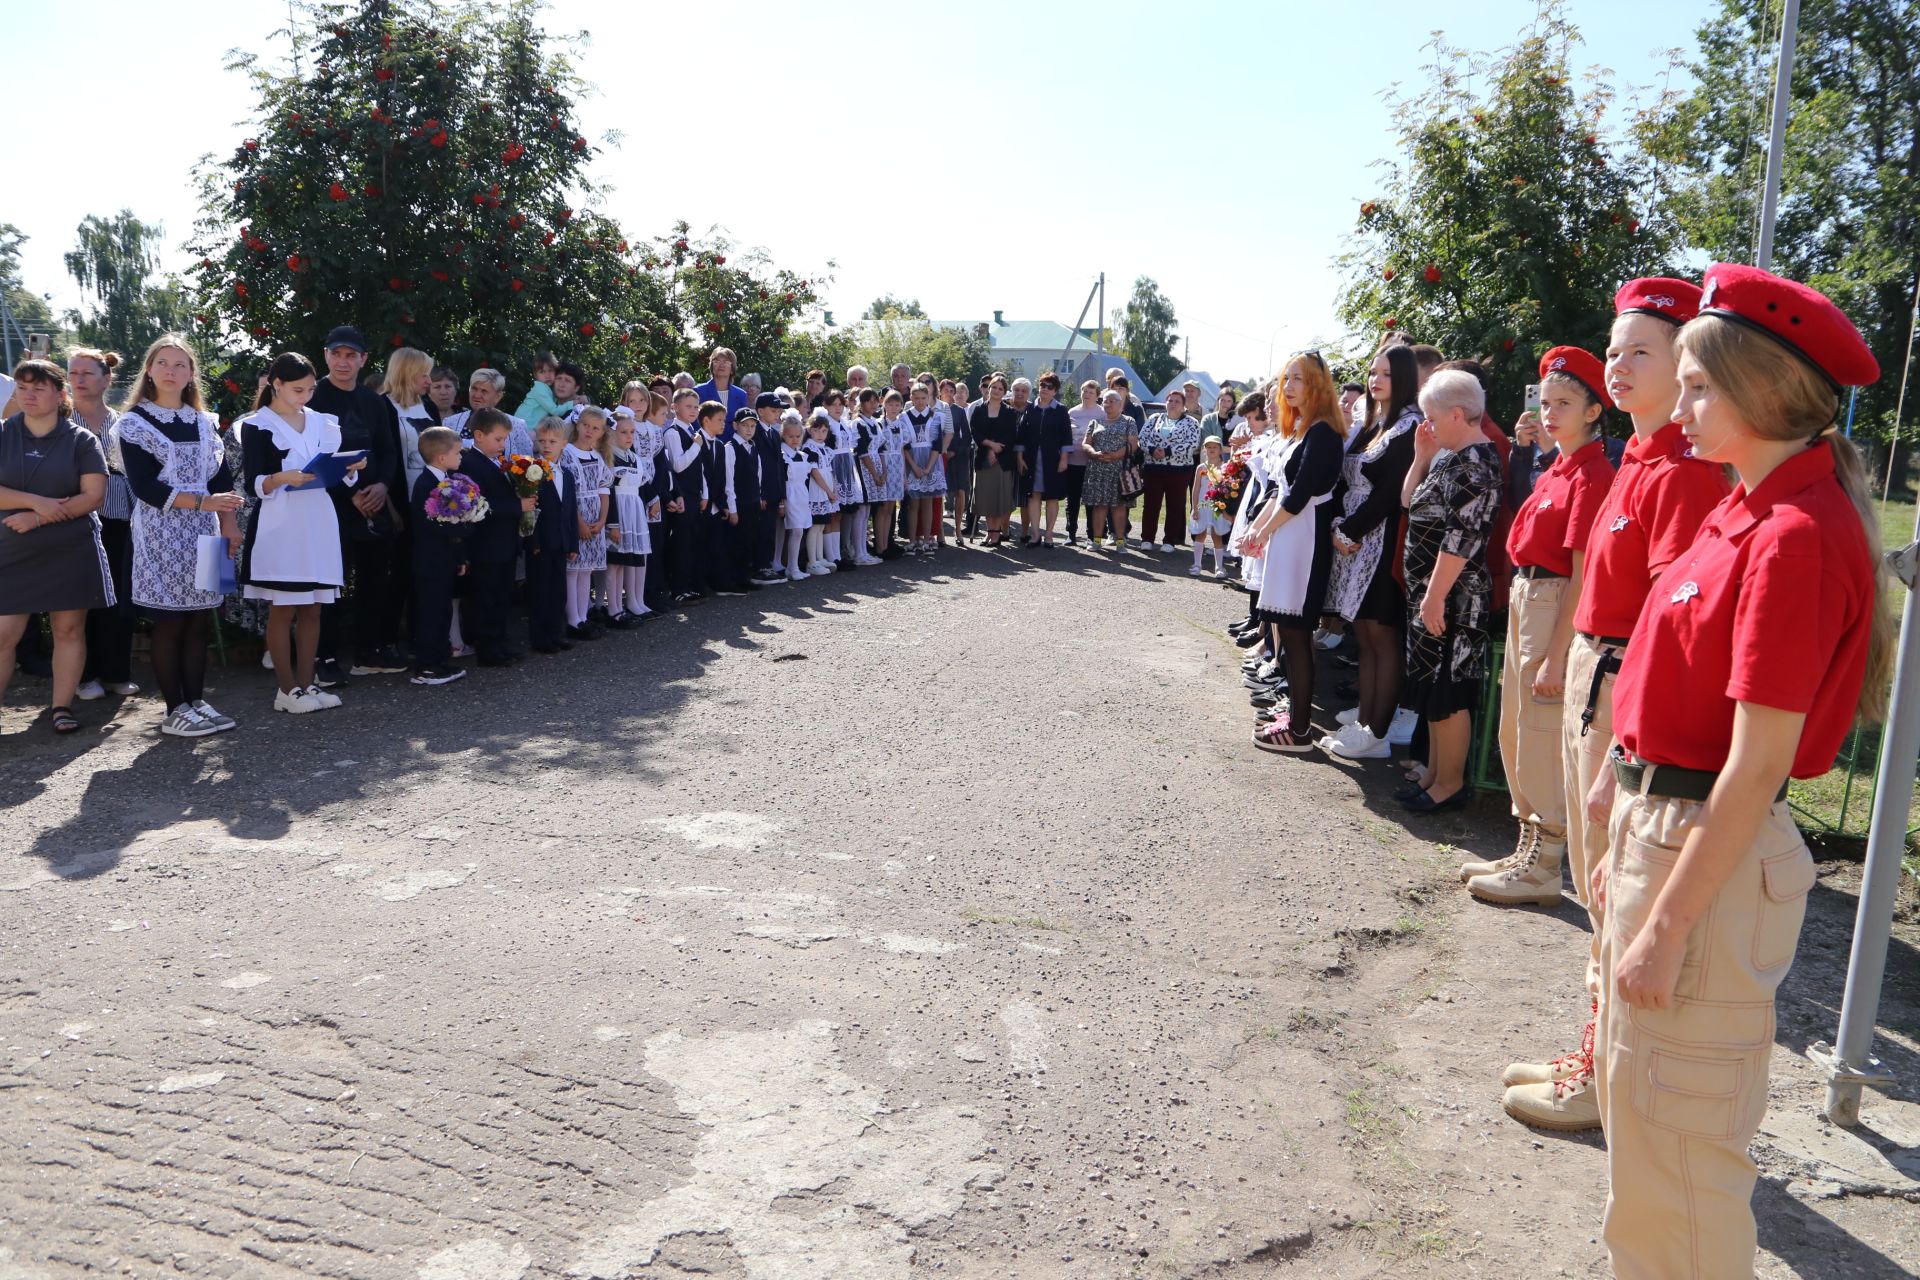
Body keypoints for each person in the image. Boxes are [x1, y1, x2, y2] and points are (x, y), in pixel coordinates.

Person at [1593, 263, 1886, 1280]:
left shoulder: (1795, 536)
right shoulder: (1748, 507)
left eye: (1702, 386)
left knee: (1681, 1154)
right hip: (1667, 831)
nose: (1682, 404)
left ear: (1763, 392)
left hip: (1702, 854)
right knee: (1646, 1127)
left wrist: (1666, 920)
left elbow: (1758, 764)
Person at [1497, 278, 1723, 1136]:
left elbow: (1667, 622)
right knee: (1600, 892)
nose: (1620, 367)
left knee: (1612, 890)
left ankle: (1606, 1074)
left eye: (1642, 353)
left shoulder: (1684, 475)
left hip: (1619, 685)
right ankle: (1595, 1053)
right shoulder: (1643, 461)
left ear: (1687, 364)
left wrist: (1622, 743)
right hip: (1599, 670)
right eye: (1616, 349)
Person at [1470, 347, 1616, 905]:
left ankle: (1546, 863)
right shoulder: (1558, 465)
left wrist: (1559, 654)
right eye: (1548, 401)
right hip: (1527, 595)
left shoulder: (1593, 474)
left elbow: (1583, 573)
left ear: (1594, 411)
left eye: (1566, 403)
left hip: (1554, 603)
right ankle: (1528, 842)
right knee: (1516, 725)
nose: (1551, 412)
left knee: (1540, 729)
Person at [116, 334, 243, 737]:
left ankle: (196, 700)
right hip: (161, 533)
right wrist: (204, 504)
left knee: (201, 620)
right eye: (163, 363)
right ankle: (174, 710)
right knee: (170, 622)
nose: (171, 371)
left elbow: (220, 478)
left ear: (191, 374)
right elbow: (146, 488)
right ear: (149, 370)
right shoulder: (133, 423)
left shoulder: (204, 422)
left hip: (207, 530)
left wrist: (229, 525)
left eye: (180, 365)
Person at [1396, 369, 1503, 810]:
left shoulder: (1477, 463)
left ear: (1458, 414)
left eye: (1432, 418)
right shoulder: (1448, 454)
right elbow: (1408, 502)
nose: (1428, 426)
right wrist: (1421, 454)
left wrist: (1436, 595)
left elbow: (1461, 539)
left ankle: (1450, 785)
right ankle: (1435, 775)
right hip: (1432, 594)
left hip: (1455, 599)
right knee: (1433, 688)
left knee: (1449, 689)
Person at [238, 352, 365, 714]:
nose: (305, 396)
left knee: (314, 607)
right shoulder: (257, 425)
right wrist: (281, 478)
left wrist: (351, 467)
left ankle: (306, 685)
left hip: (318, 519)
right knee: (285, 606)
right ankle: (286, 689)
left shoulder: (323, 423)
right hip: (282, 522)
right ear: (276, 384)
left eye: (310, 389)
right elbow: (254, 484)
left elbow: (332, 472)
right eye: (298, 389)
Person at [0, 359, 113, 734]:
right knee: (4, 634)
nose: (28, 395)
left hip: (69, 547)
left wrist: (39, 517)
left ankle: (61, 707)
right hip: (12, 548)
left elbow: (93, 496)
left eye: (38, 388)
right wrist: (35, 502)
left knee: (68, 630)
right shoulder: (3, 434)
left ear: (60, 393)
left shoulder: (82, 440)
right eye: (22, 387)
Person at [1321, 345, 1422, 760]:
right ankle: (1365, 717)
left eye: (1386, 373)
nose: (1375, 379)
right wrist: (1338, 528)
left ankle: (1378, 732)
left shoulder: (1409, 425)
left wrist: (1349, 529)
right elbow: (1348, 479)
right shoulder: (1373, 422)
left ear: (1404, 379)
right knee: (1363, 634)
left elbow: (1391, 492)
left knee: (1382, 636)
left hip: (1380, 542)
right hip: (1351, 538)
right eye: (1372, 372)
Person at [1243, 354, 1346, 755]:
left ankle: (1301, 731)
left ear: (1317, 385)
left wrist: (1264, 531)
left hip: (1305, 543)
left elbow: (1301, 496)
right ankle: (1295, 716)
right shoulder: (1301, 429)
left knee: (1298, 635)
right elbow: (1281, 491)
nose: (1288, 386)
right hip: (1289, 540)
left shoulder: (1323, 433)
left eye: (1297, 379)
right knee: (1288, 634)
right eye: (1286, 378)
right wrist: (1258, 530)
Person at [308, 325, 406, 687]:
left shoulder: (375, 403)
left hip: (374, 504)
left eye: (351, 355)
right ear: (326, 355)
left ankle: (369, 651)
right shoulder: (311, 398)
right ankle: (326, 657)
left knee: (374, 581)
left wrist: (381, 487)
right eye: (337, 354)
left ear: (364, 359)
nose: (344, 362)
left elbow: (388, 451)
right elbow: (311, 456)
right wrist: (348, 494)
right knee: (330, 584)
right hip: (329, 504)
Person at [66, 348, 137, 703]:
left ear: (106, 379)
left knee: (117, 598)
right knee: (80, 600)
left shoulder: (123, 422)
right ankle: (85, 675)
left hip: (118, 518)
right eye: (73, 373)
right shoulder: (60, 421)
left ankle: (116, 673)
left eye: (87, 373)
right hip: (72, 521)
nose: (78, 379)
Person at [457, 409, 527, 667]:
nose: (503, 444)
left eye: (504, 439)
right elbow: (478, 504)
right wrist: (518, 507)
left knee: (501, 596)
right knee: (485, 597)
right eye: (498, 439)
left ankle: (499, 642)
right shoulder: (469, 464)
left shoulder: (496, 462)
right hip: (486, 544)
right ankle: (487, 648)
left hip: (505, 543)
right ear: (478, 435)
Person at [407, 426, 469, 685]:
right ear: (442, 458)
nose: (461, 456)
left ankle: (439, 660)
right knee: (431, 613)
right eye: (457, 452)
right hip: (430, 561)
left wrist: (460, 556)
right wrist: (463, 527)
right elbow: (428, 524)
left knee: (442, 610)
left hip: (444, 559)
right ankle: (426, 667)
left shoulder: (445, 480)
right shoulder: (426, 485)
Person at [524, 419, 577, 655]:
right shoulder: (531, 472)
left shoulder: (566, 474)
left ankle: (557, 633)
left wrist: (573, 543)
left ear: (564, 443)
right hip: (541, 543)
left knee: (558, 591)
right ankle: (540, 637)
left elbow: (570, 511)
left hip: (561, 542)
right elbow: (529, 511)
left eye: (552, 441)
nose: (546, 445)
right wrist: (532, 541)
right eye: (542, 441)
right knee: (540, 591)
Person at [563, 408, 614, 639]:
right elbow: (567, 493)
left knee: (587, 571)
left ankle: (582, 617)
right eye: (586, 425)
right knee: (572, 571)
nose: (589, 431)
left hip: (595, 519)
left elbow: (604, 490)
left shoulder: (598, 457)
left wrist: (602, 520)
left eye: (595, 428)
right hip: (576, 517)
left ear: (602, 433)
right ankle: (572, 620)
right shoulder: (566, 453)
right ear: (577, 425)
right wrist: (580, 522)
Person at [604, 409, 654, 627]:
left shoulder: (634, 458)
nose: (629, 436)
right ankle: (613, 608)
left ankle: (631, 603)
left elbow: (639, 486)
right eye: (624, 432)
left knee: (628, 562)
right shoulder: (609, 457)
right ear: (613, 433)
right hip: (618, 513)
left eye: (632, 432)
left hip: (633, 512)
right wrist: (612, 522)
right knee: (614, 563)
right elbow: (609, 490)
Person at [1139, 389, 1204, 552]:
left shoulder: (1191, 422)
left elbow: (1193, 443)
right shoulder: (1154, 419)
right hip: (1153, 469)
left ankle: (1169, 540)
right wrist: (1152, 450)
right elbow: (1142, 438)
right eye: (1170, 400)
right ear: (1165, 403)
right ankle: (1147, 538)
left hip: (1179, 471)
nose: (1173, 404)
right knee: (1151, 505)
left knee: (1175, 505)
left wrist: (1168, 451)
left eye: (1177, 402)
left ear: (1183, 406)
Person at [661, 388, 708, 603]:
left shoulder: (692, 431)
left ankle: (690, 584)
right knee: (681, 543)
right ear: (674, 407)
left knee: (693, 542)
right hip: (681, 496)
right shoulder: (672, 432)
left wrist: (704, 493)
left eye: (696, 406)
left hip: (694, 494)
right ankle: (678, 588)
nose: (693, 410)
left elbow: (700, 468)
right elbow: (678, 466)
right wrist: (697, 446)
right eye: (688, 406)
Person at [1018, 373, 1073, 547]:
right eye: (1043, 386)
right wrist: (1019, 457)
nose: (1045, 389)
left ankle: (1049, 535)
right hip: (1032, 459)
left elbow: (1066, 437)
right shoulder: (1030, 409)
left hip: (1053, 459)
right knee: (1033, 496)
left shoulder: (1061, 410)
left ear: (1055, 390)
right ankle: (1035, 535)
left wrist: (1064, 459)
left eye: (1050, 387)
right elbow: (1021, 435)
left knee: (1052, 497)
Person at [1080, 390, 1138, 549]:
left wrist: (1115, 455)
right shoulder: (1095, 421)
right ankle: (1097, 541)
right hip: (1097, 469)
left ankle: (1120, 542)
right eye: (1106, 401)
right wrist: (1094, 453)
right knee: (1099, 506)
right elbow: (1086, 443)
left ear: (1120, 404)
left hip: (1119, 470)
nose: (1109, 403)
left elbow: (1133, 444)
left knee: (1118, 506)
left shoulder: (1128, 421)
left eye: (1113, 401)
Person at [778, 412, 831, 581]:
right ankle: (791, 567)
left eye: (797, 436)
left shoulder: (802, 455)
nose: (794, 439)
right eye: (790, 436)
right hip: (789, 495)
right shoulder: (783, 456)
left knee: (800, 531)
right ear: (783, 435)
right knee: (796, 530)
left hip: (802, 495)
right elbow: (781, 480)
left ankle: (793, 566)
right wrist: (782, 502)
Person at [382, 347, 438, 493]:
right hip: (399, 494)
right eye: (424, 375)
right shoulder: (382, 406)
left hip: (434, 493)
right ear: (407, 374)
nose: (429, 381)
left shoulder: (430, 406)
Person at [970, 376, 1018, 547]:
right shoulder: (978, 410)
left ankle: (996, 534)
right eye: (994, 387)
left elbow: (1011, 435)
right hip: (983, 459)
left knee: (999, 499)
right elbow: (975, 432)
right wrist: (989, 446)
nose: (996, 391)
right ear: (988, 389)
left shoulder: (1010, 412)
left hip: (1002, 461)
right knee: (987, 498)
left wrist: (997, 451)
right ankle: (989, 533)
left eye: (1000, 389)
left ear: (1004, 393)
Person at [902, 382, 948, 557]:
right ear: (911, 398)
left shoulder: (936, 417)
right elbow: (905, 446)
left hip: (931, 461)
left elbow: (937, 445)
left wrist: (928, 467)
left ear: (929, 398)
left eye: (924, 398)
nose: (920, 401)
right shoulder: (904, 417)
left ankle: (928, 539)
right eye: (917, 398)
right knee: (914, 503)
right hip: (913, 460)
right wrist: (914, 466)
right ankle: (913, 540)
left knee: (928, 501)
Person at [446, 369, 533, 457]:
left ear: (498, 397)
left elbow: (527, 462)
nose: (477, 395)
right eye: (474, 389)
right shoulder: (450, 423)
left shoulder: (517, 426)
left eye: (484, 391)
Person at [1064, 379, 1102, 545]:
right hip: (1073, 463)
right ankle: (1071, 534)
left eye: (1091, 392)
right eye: (1084, 391)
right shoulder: (1072, 412)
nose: (1087, 395)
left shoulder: (1102, 413)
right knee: (1072, 500)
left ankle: (1091, 535)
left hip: (1093, 464)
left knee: (1090, 501)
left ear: (1097, 396)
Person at [1188, 437, 1233, 577]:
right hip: (1203, 507)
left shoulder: (1225, 467)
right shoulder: (1201, 468)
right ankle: (1196, 565)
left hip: (1218, 508)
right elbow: (1196, 490)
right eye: (1208, 447)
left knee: (1217, 535)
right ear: (1204, 450)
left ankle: (1219, 567)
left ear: (1220, 450)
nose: (1211, 450)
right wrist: (1195, 508)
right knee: (1200, 534)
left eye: (1214, 447)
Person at [802, 411, 841, 573]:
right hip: (816, 492)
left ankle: (820, 558)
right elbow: (815, 473)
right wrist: (828, 491)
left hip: (826, 491)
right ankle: (812, 561)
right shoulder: (809, 448)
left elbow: (829, 471)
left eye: (824, 431)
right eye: (816, 430)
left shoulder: (825, 449)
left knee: (821, 526)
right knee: (814, 526)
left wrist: (833, 490)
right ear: (810, 430)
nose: (820, 434)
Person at [940, 379, 973, 547]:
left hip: (958, 455)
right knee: (940, 493)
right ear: (940, 392)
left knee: (961, 491)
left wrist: (957, 451)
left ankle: (958, 529)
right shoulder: (935, 409)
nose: (949, 393)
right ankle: (939, 532)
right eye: (945, 390)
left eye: (951, 390)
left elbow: (967, 436)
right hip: (939, 454)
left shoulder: (959, 411)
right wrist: (942, 451)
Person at [694, 346, 750, 429]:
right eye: (717, 361)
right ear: (712, 366)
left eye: (726, 361)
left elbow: (744, 424)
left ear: (732, 369)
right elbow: (694, 421)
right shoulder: (699, 391)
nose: (721, 364)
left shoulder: (741, 395)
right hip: (706, 440)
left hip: (733, 440)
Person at [514, 351, 562, 423]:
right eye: (542, 372)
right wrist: (572, 403)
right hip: (523, 424)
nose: (547, 375)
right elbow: (554, 410)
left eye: (550, 370)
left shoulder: (550, 389)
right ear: (535, 375)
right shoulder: (540, 389)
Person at [1198, 384, 1239, 452]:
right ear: (1218, 401)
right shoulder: (1208, 419)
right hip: (1214, 459)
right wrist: (1232, 450)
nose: (1225, 403)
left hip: (1236, 459)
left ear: (1233, 403)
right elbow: (1207, 444)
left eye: (1229, 401)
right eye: (1223, 400)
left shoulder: (1238, 420)